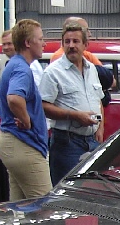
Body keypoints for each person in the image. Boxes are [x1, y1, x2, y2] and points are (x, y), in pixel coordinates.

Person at [41, 20, 107, 184]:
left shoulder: (92, 69)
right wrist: (75, 116)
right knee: (66, 190)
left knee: (90, 188)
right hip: (66, 143)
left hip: (92, 141)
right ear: (62, 44)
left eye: (76, 41)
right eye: (67, 42)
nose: (71, 46)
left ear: (85, 45)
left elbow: (98, 99)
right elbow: (43, 106)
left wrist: (100, 128)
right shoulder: (53, 72)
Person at [0, 19, 51, 200]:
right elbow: (14, 98)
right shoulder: (22, 69)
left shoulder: (13, 65)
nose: (44, 43)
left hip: (13, 143)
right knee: (44, 207)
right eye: (40, 39)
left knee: (20, 206)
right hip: (23, 144)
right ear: (28, 42)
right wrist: (27, 120)